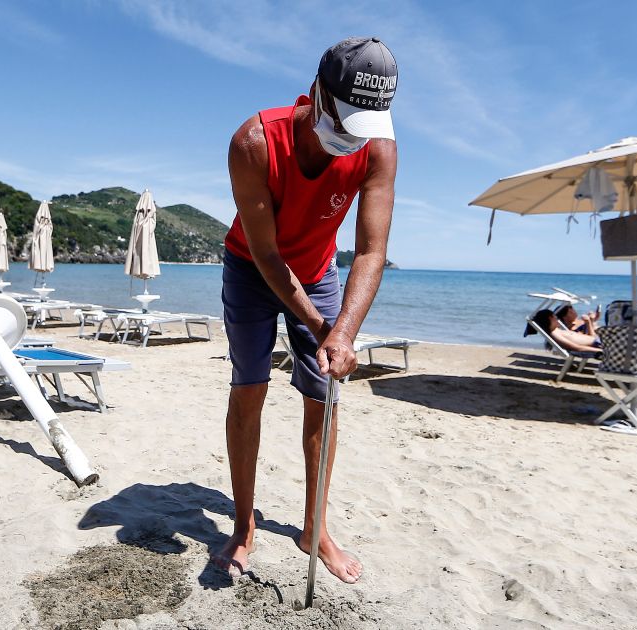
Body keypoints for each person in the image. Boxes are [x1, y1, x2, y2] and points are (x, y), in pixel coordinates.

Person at [217, 37, 398, 585]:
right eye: (344, 125)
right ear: (317, 92)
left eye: (360, 130)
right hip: (253, 265)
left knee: (323, 397)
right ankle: (244, 525)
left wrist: (342, 334)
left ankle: (314, 527)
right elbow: (269, 255)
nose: (349, 142)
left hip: (318, 271)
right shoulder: (253, 142)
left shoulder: (380, 148)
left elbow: (370, 251)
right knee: (250, 389)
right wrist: (323, 328)